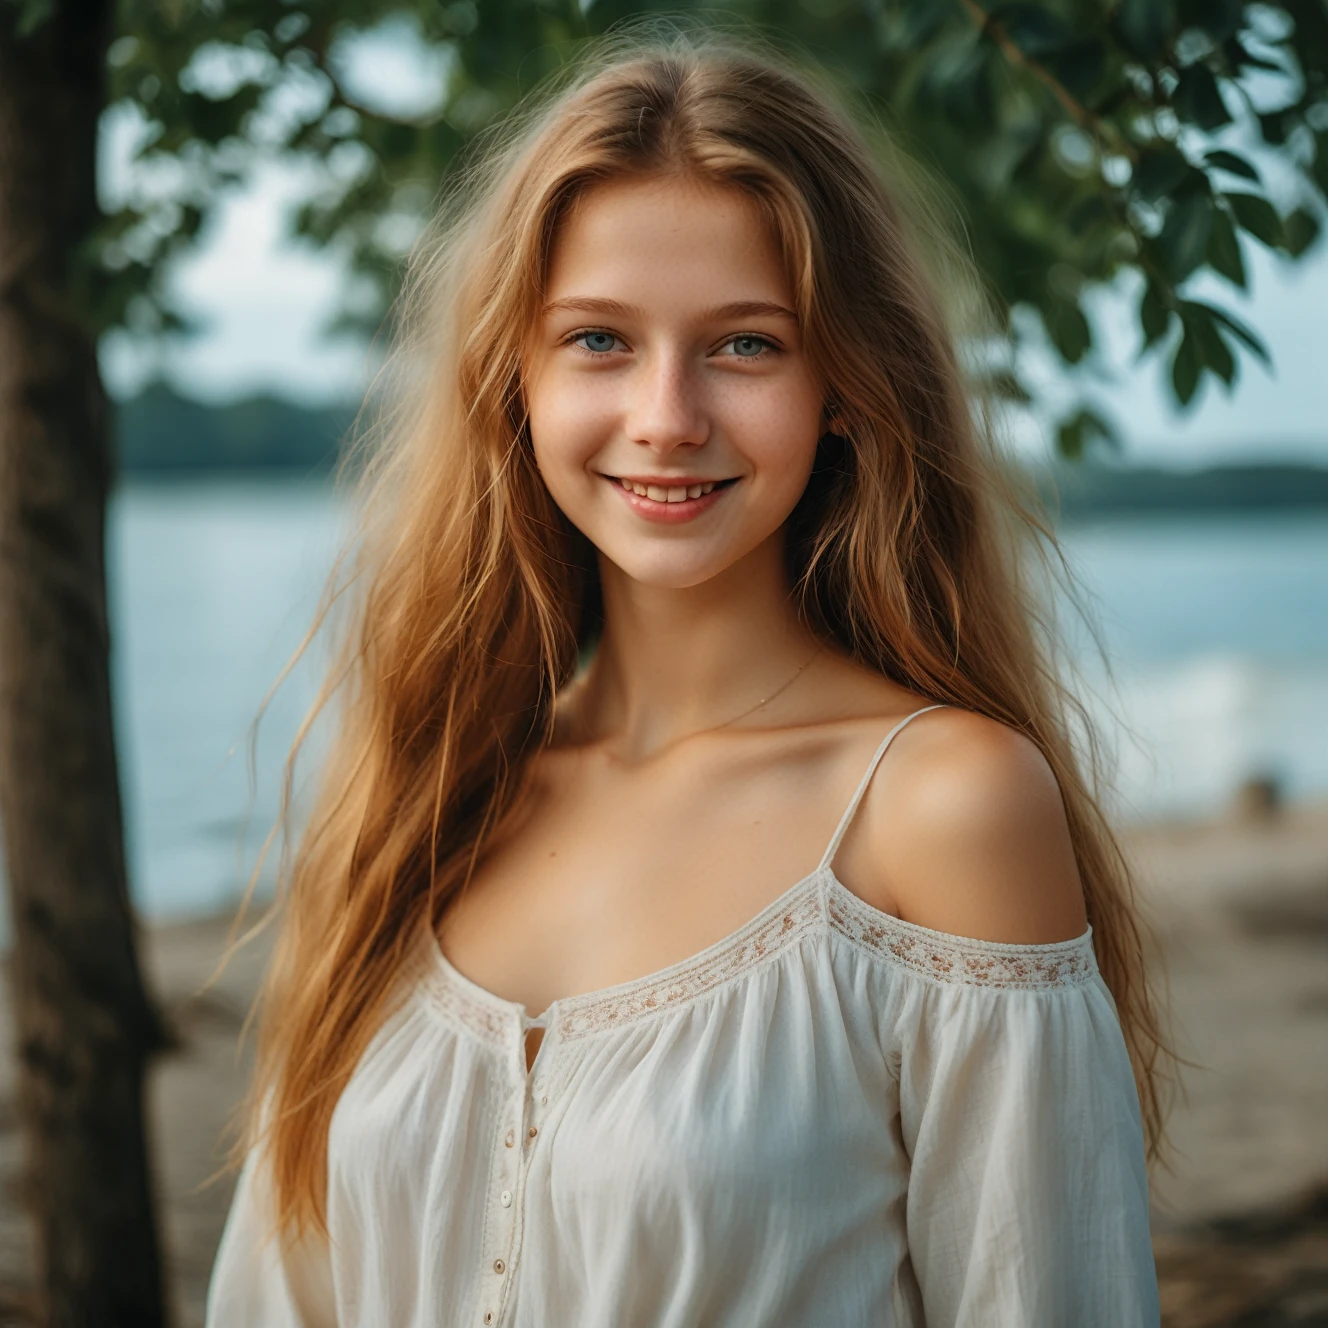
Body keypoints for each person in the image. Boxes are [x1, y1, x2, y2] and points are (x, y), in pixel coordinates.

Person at [206, 31, 1164, 1327]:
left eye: (747, 345)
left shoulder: (944, 808)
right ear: (516, 379)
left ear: (845, 384)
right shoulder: (418, 796)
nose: (667, 415)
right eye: (599, 339)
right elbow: (277, 1291)